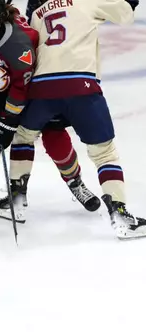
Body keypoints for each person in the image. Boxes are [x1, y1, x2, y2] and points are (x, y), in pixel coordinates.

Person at [0, 0, 99, 222]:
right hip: (10, 87)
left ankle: (76, 182)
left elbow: (21, 88)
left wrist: (8, 122)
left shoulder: (19, 43)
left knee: (55, 139)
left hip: (39, 89)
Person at [21, 0, 145, 238]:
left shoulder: (36, 12)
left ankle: (16, 197)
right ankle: (120, 215)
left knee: (23, 137)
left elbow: (24, 43)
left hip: (41, 90)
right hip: (82, 87)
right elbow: (124, 14)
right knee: (104, 153)